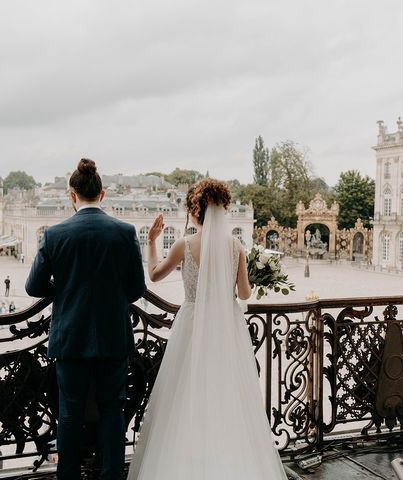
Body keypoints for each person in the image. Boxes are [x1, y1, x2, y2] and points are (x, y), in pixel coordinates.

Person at [127, 179, 287, 479]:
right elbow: (244, 294)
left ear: (194, 211)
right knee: (226, 396)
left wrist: (151, 241)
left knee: (183, 395)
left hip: (191, 324)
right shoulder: (235, 246)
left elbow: (153, 275)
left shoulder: (183, 245)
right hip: (227, 328)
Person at [25, 158, 146, 480]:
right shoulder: (125, 232)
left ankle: (68, 475)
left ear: (71, 195)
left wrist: (66, 291)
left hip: (71, 336)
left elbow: (33, 286)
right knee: (112, 411)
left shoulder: (55, 234)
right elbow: (136, 289)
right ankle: (110, 475)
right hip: (113, 336)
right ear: (102, 194)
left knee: (69, 413)